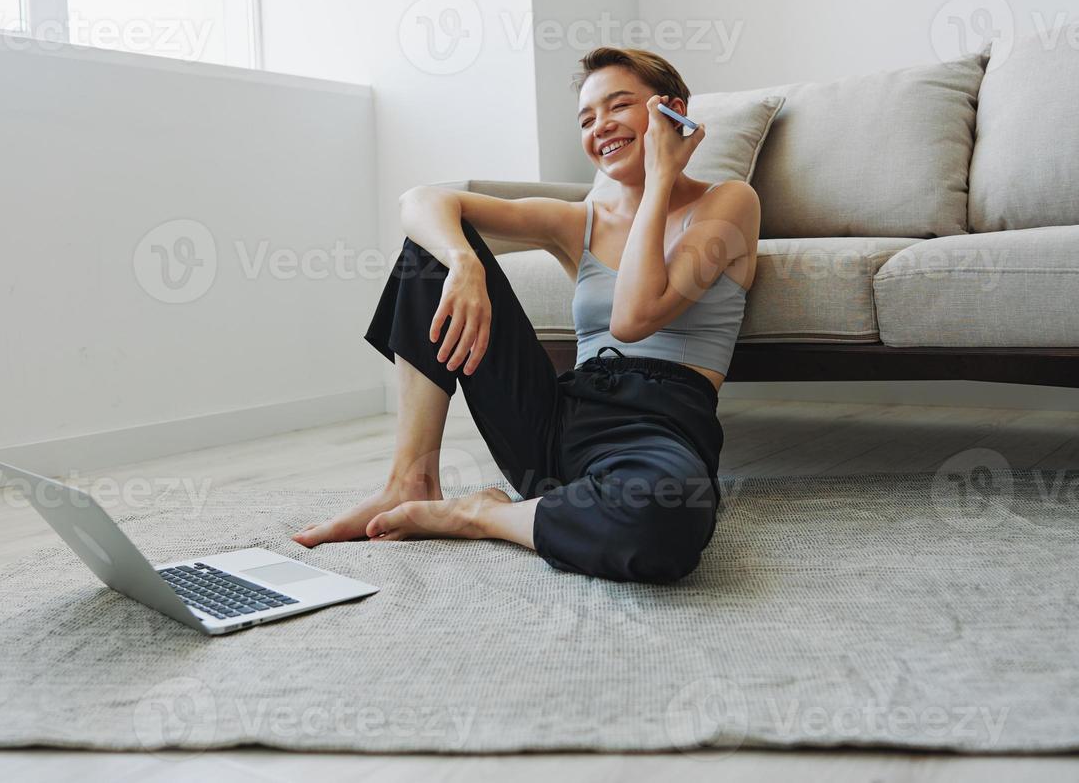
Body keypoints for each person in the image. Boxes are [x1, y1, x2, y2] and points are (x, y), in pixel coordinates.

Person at [293, 47, 760, 582]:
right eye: (587, 119)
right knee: (429, 254)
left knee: (664, 521)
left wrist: (659, 178)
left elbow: (633, 318)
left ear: (670, 112)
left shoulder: (729, 203)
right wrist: (463, 262)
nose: (600, 127)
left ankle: (484, 515)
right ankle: (411, 481)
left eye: (618, 106)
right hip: (553, 422)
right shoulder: (578, 221)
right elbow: (421, 200)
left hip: (658, 427)